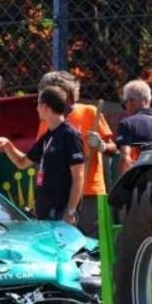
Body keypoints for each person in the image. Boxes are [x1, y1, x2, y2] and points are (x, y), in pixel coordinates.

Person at [0, 86, 84, 225]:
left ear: (44, 106)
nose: (36, 109)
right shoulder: (47, 136)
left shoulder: (69, 135)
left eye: (38, 104)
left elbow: (78, 176)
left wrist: (71, 211)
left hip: (60, 212)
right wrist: (8, 145)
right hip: (45, 209)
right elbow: (22, 162)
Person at [36, 71, 115, 237]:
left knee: (91, 244)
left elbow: (113, 149)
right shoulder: (47, 121)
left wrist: (101, 145)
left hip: (89, 191)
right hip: (59, 195)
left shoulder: (90, 112)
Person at [116, 79, 152, 176]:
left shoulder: (127, 123)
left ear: (130, 102)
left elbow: (125, 157)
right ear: (148, 100)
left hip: (140, 180)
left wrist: (124, 186)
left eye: (124, 103)